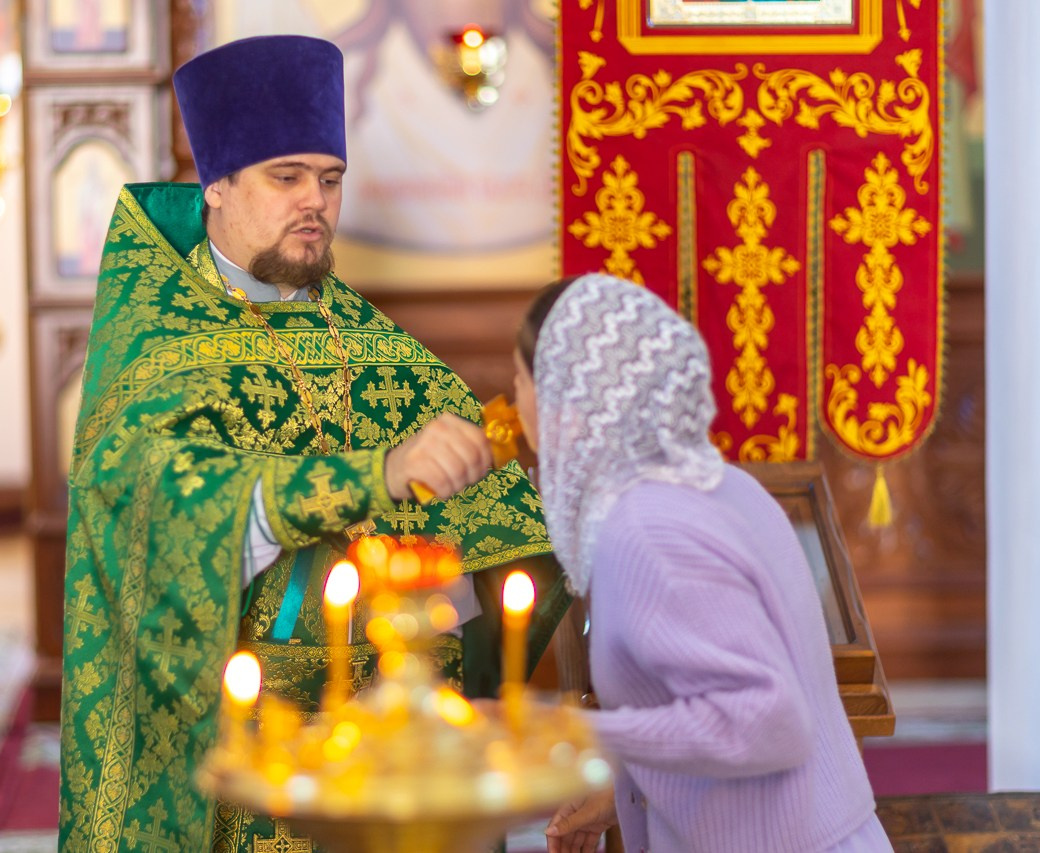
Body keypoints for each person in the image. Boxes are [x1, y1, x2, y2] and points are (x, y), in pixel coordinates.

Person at [58, 34, 570, 852]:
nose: (315, 203)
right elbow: (159, 499)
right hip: (251, 760)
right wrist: (375, 475)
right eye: (286, 176)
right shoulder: (159, 343)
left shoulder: (365, 336)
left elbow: (513, 532)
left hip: (392, 750)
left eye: (329, 180)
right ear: (217, 184)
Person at [510, 274, 892, 853]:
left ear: (565, 399)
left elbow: (768, 721)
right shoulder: (721, 483)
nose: (513, 405)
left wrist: (563, 731)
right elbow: (706, 707)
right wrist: (628, 789)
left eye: (518, 380)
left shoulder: (644, 526)